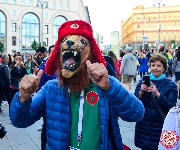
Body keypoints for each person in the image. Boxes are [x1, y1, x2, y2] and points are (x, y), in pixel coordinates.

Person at [10, 20, 144, 150]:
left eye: (82, 41)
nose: (70, 42)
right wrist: (23, 98)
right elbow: (20, 121)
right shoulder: (51, 88)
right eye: (65, 40)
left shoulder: (106, 85)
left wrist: (110, 88)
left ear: (91, 54)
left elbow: (136, 114)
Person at [134, 54, 178, 150]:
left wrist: (157, 93)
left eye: (159, 66)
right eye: (153, 65)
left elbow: (170, 108)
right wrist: (141, 92)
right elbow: (134, 103)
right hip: (144, 125)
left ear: (164, 68)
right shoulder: (143, 81)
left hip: (161, 126)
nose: (155, 68)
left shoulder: (171, 85)